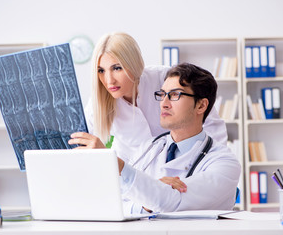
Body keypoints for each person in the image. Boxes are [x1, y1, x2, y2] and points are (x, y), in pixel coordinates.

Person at [69, 32, 228, 164]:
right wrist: (101, 155)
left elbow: (212, 126)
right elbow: (78, 143)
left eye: (117, 68)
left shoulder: (166, 80)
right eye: (101, 70)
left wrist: (207, 167)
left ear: (133, 63)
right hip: (133, 184)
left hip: (183, 169)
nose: (109, 80)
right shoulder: (99, 102)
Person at [115, 63, 241, 213]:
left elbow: (170, 201)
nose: (164, 104)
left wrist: (119, 167)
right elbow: (116, 204)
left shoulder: (224, 164)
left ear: (201, 106)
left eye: (175, 95)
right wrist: (145, 204)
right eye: (162, 94)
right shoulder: (149, 148)